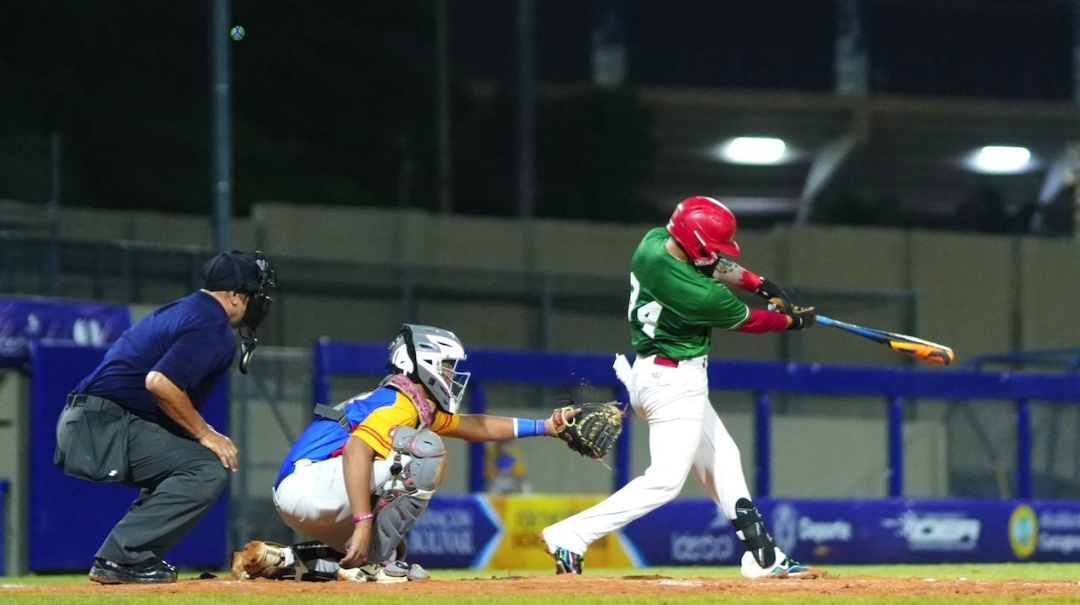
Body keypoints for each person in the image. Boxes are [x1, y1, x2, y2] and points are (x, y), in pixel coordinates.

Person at [540, 196, 819, 578]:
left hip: (652, 374)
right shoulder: (699, 293)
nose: (717, 255)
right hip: (674, 384)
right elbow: (749, 321)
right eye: (712, 247)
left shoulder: (653, 243)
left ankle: (763, 555)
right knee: (666, 482)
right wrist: (792, 322)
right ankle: (571, 534)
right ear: (696, 242)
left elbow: (712, 264)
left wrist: (762, 284)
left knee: (724, 458)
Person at [233, 323, 573, 583]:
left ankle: (282, 560)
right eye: (446, 365)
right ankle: (372, 566)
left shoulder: (410, 400)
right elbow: (356, 449)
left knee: (390, 542)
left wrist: (545, 426)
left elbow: (476, 426)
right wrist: (363, 523)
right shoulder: (399, 403)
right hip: (309, 484)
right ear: (423, 363)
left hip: (306, 489)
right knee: (424, 453)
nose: (451, 374)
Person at [53, 250, 277, 585]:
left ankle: (128, 557)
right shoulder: (211, 325)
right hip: (101, 424)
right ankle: (122, 558)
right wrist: (205, 434)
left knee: (192, 460)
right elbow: (160, 384)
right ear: (233, 296)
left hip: (92, 419)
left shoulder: (189, 310)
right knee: (205, 468)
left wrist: (202, 434)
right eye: (251, 296)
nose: (255, 304)